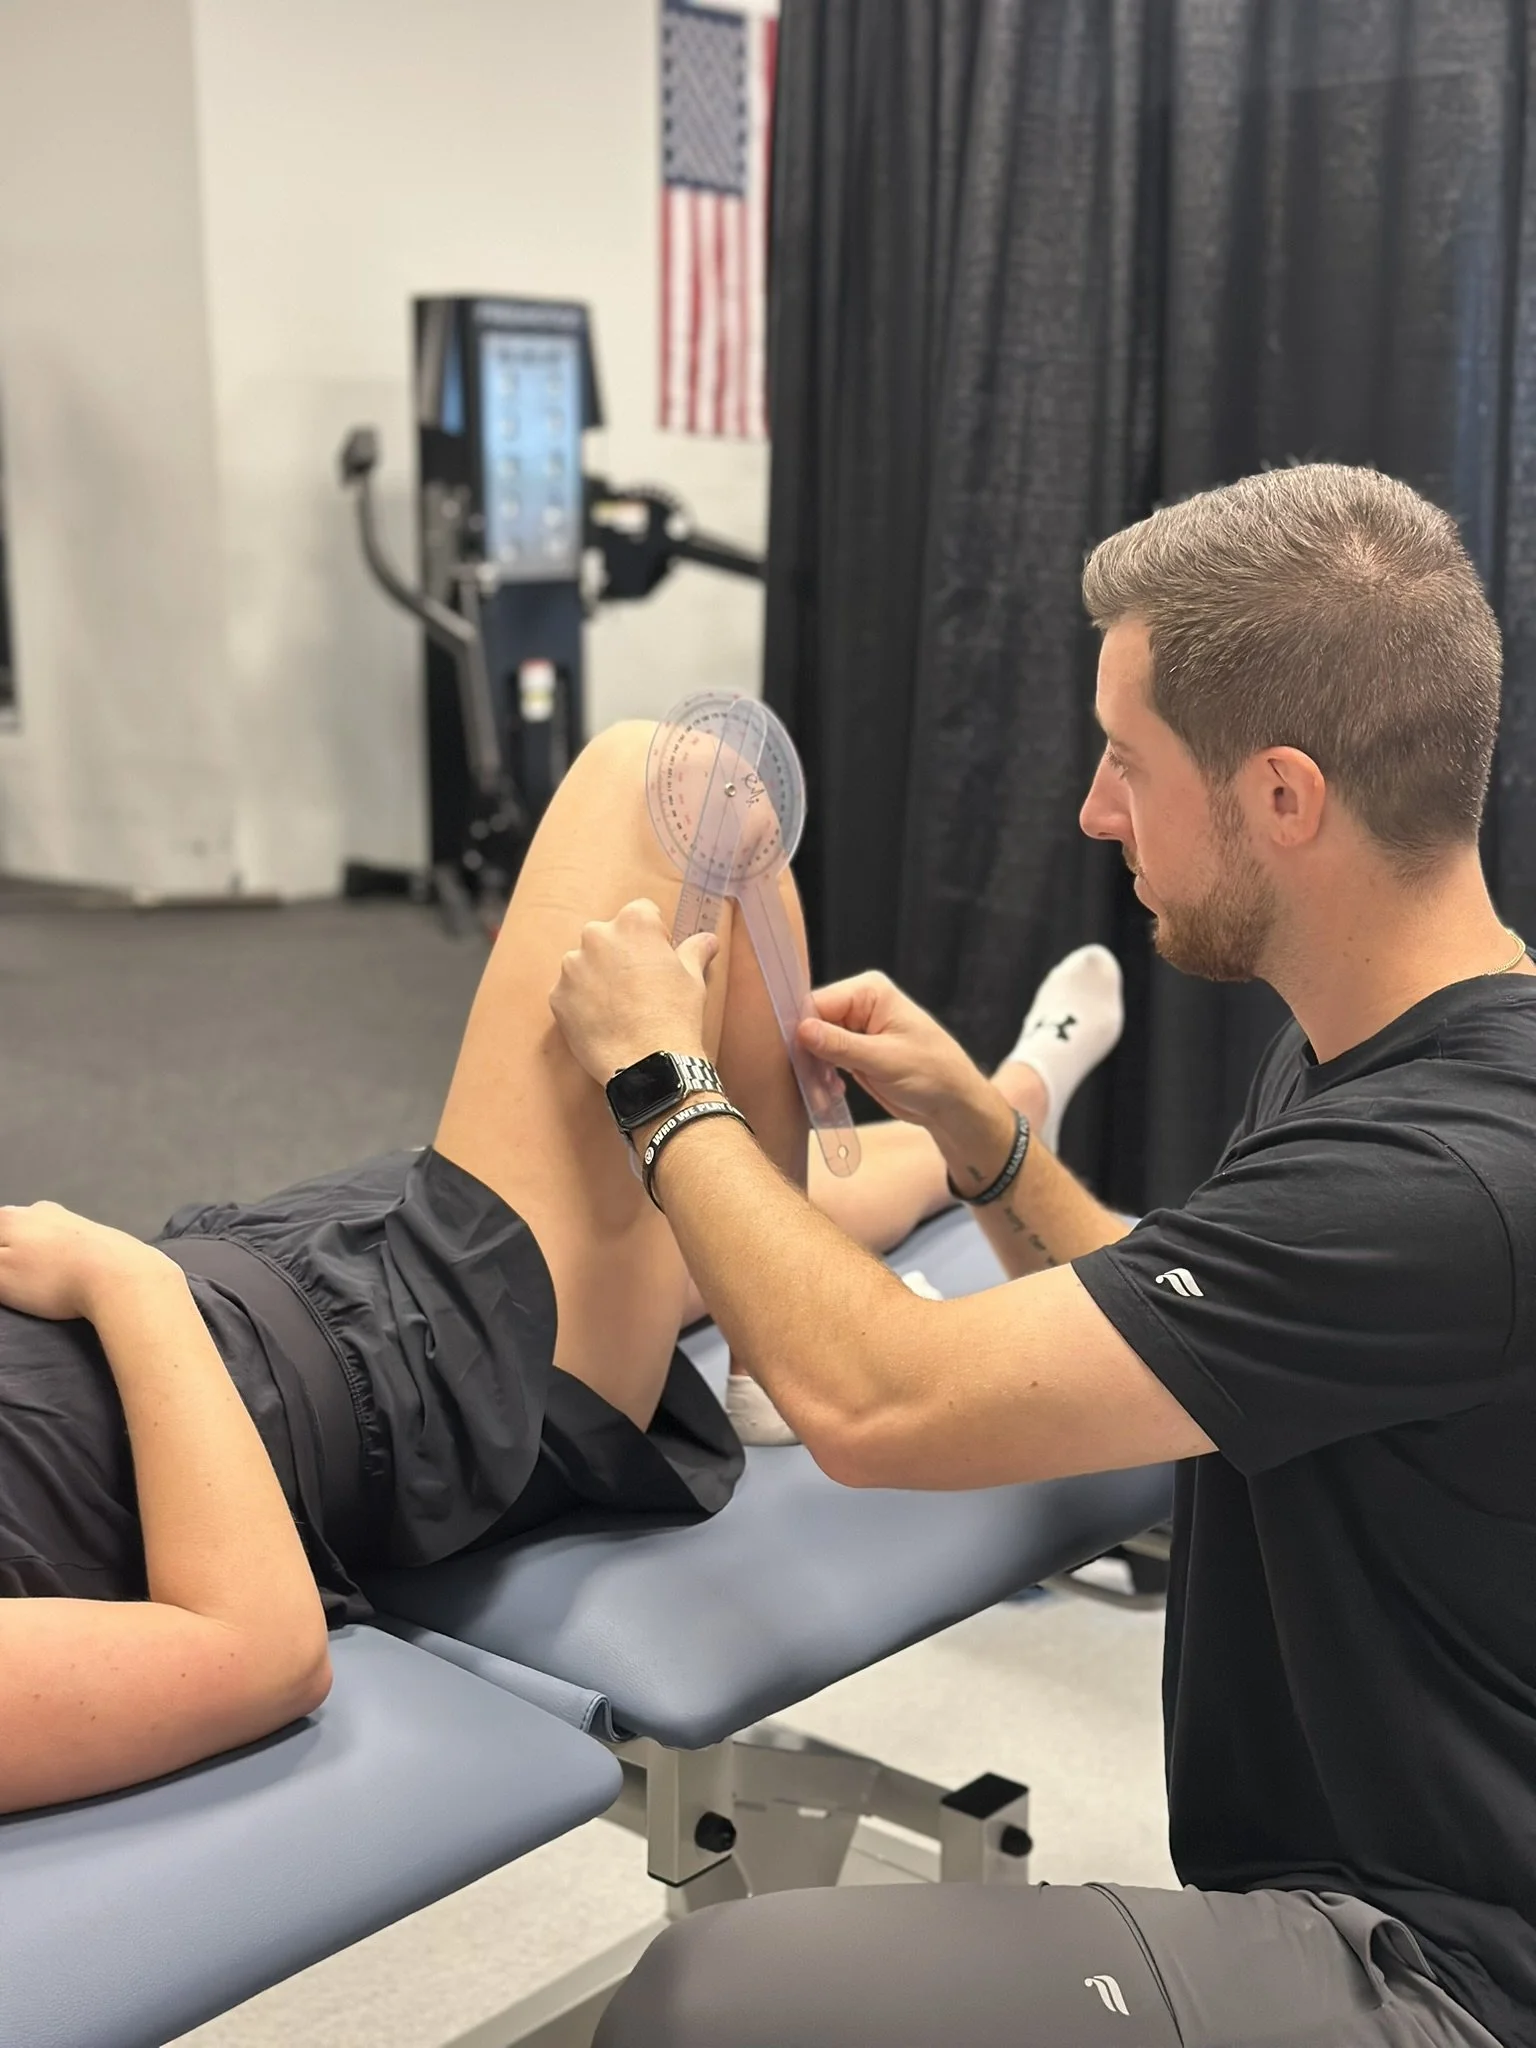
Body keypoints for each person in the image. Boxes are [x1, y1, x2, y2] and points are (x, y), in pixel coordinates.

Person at [554, 466, 1536, 2048]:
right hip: (1376, 1881)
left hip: (1450, 1974)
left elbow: (877, 1404)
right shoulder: (1399, 1047)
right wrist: (985, 1137)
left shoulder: (1445, 1178)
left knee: (715, 2002)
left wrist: (662, 1083)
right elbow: (1199, 1321)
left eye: (1128, 763)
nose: (1093, 807)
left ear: (1285, 798)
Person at [0, 711, 1120, 1816]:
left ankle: (1008, 1110)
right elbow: (259, 1653)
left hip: (272, 1275)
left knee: (699, 1215)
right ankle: (787, 1355)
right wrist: (119, 1284)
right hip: (423, 1382)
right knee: (690, 782)